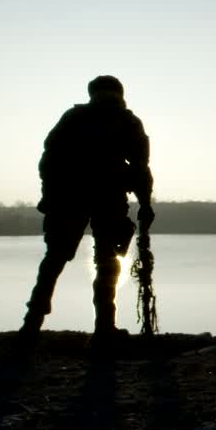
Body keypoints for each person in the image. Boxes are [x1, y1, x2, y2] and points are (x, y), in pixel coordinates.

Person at [19, 75, 154, 343]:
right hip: (103, 198)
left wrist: (51, 195)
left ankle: (31, 325)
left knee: (56, 259)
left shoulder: (74, 118)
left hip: (72, 198)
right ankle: (104, 328)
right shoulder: (127, 121)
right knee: (106, 262)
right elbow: (140, 168)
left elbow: (48, 160)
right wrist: (146, 203)